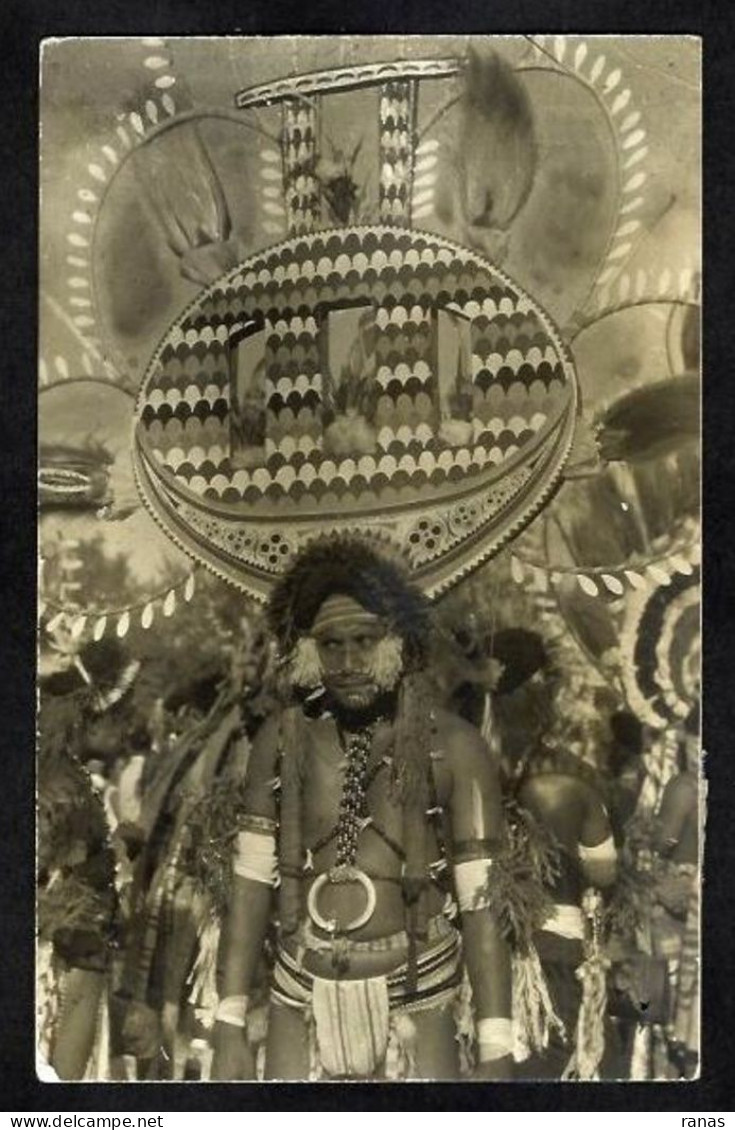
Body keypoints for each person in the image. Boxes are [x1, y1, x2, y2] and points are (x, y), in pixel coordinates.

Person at [211, 537, 513, 1080]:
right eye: (331, 645)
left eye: (365, 641)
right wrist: (228, 1023)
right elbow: (250, 883)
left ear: (396, 642)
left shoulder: (456, 745)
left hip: (418, 991)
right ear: (307, 650)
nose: (348, 663)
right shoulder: (279, 741)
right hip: (299, 986)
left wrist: (496, 1046)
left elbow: (483, 901)